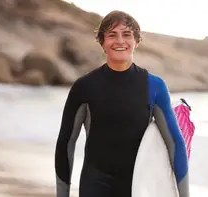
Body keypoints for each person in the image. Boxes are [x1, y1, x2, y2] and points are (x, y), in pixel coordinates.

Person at [54, 10, 189, 197]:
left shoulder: (154, 86)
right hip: (95, 185)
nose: (120, 41)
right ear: (102, 42)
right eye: (112, 35)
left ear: (137, 41)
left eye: (127, 34)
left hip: (138, 187)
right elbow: (65, 144)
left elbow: (175, 143)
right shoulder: (84, 87)